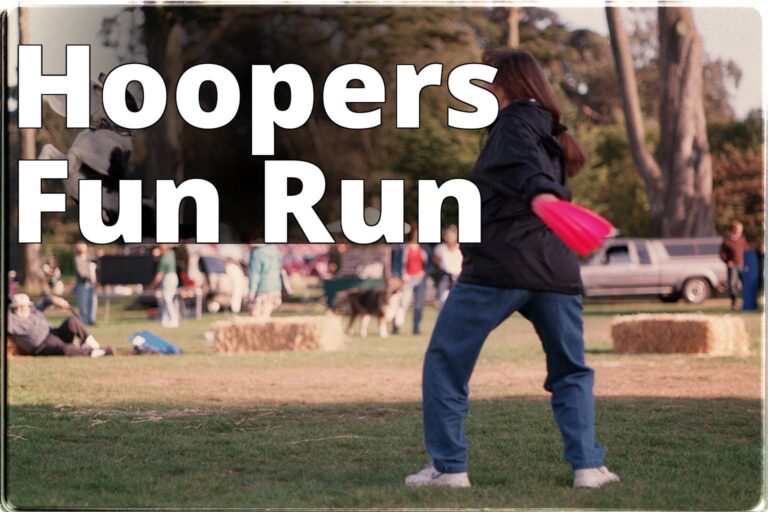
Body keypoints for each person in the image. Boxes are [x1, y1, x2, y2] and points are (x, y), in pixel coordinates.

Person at [405, 50, 618, 490]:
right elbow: (533, 167)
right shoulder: (551, 130)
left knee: (445, 361)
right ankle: (588, 469)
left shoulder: (515, 122)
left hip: (501, 266)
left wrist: (540, 194)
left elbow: (528, 167)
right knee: (571, 370)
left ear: (503, 83)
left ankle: (449, 469)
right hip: (556, 269)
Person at [7, 293, 112, 357]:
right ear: (13, 308)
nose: (22, 308)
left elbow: (46, 301)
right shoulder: (12, 320)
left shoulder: (34, 311)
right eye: (18, 307)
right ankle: (97, 353)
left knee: (72, 321)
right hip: (41, 346)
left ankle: (94, 345)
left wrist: (57, 300)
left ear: (28, 306)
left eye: (24, 306)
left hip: (54, 333)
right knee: (65, 349)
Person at [394, 224, 429, 335]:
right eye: (415, 233)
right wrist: (401, 275)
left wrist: (425, 272)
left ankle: (416, 327)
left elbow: (429, 263)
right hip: (407, 279)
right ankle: (397, 326)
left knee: (419, 305)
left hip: (420, 278)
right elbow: (397, 262)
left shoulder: (425, 248)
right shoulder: (403, 247)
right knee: (403, 304)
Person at [719, 220, 749, 310]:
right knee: (732, 285)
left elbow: (746, 251)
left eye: (741, 230)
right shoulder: (727, 241)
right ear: (733, 229)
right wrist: (727, 261)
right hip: (732, 266)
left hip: (742, 265)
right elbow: (722, 254)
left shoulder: (742, 239)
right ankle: (734, 302)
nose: (739, 231)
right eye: (738, 229)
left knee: (746, 283)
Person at [247, 244, 283, 318]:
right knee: (266, 314)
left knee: (256, 315)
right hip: (275, 286)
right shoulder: (274, 249)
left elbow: (255, 273)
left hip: (262, 288)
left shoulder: (257, 253)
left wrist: (252, 291)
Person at [432, 225, 463, 309]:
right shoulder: (441, 248)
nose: (448, 237)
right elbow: (434, 257)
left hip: (459, 279)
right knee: (443, 302)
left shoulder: (461, 248)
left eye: (451, 235)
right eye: (447, 235)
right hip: (445, 278)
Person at [149, 245, 181, 328]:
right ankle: (164, 320)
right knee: (166, 300)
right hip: (173, 277)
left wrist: (152, 285)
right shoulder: (171, 253)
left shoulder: (164, 259)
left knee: (167, 299)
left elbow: (159, 275)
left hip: (168, 278)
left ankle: (174, 320)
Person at [74, 242, 98, 325]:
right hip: (82, 284)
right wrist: (89, 278)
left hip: (92, 285)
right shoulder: (77, 259)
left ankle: (91, 320)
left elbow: (96, 259)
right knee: (82, 303)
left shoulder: (89, 258)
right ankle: (83, 320)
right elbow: (81, 272)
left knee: (92, 302)